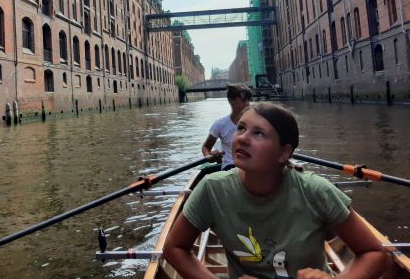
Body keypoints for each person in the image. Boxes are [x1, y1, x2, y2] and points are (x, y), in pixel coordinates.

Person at [165, 102, 386, 279]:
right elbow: (174, 248)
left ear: (284, 153)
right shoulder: (212, 189)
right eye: (241, 128)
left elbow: (374, 253)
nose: (242, 137)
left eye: (259, 133)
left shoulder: (317, 191)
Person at [202, 84, 252, 171]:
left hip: (249, 165)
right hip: (229, 167)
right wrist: (209, 156)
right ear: (231, 100)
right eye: (244, 100)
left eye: (249, 100)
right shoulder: (220, 124)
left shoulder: (255, 122)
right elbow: (206, 147)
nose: (248, 104)